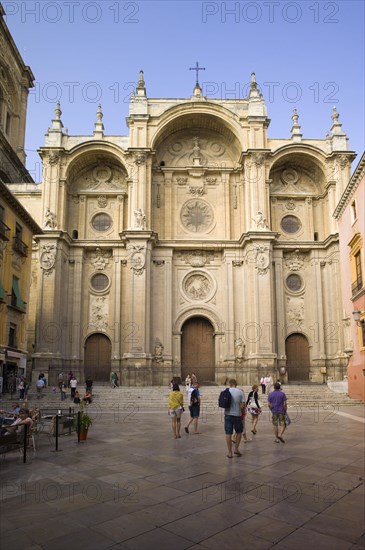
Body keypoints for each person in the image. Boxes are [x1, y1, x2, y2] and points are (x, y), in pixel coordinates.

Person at [224, 379, 245, 459]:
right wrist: (241, 412)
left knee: (228, 433)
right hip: (237, 415)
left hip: (228, 414)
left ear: (230, 384)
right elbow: (243, 405)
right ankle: (236, 449)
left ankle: (229, 452)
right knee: (239, 432)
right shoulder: (240, 392)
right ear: (236, 384)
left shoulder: (226, 391)